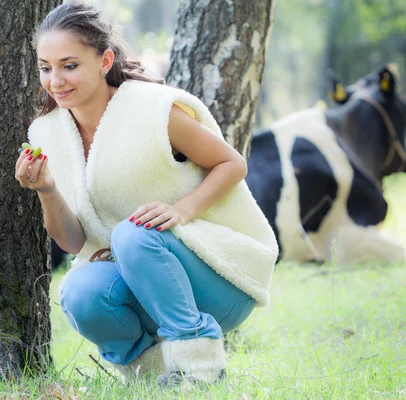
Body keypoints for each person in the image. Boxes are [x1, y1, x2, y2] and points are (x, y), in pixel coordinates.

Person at [14, 0, 278, 386]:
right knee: (80, 289)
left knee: (132, 233)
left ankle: (200, 367)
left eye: (69, 66)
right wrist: (47, 189)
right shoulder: (47, 133)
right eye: (45, 68)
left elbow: (231, 163)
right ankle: (150, 374)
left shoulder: (152, 110)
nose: (56, 81)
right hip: (143, 288)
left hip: (219, 277)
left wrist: (183, 211)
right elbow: (73, 242)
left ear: (105, 62)